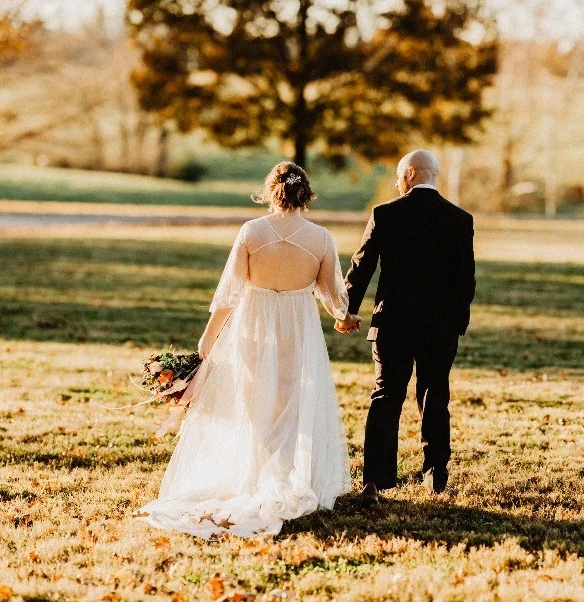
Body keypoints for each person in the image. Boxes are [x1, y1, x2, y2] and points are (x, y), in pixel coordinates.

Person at [137, 162, 351, 537]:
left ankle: (255, 476)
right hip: (298, 329)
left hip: (255, 325)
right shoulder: (320, 238)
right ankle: (280, 477)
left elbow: (229, 294)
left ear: (271, 191)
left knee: (254, 402)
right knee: (289, 401)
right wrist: (345, 317)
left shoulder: (252, 232)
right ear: (306, 194)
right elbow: (334, 296)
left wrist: (207, 342)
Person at [336, 149, 475, 506]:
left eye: (400, 177)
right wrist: (456, 322)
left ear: (410, 173)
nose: (398, 184)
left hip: (393, 324)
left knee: (385, 397)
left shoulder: (385, 214)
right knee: (435, 398)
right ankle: (437, 479)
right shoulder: (460, 219)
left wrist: (346, 311)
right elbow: (466, 281)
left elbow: (361, 266)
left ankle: (375, 483)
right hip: (440, 327)